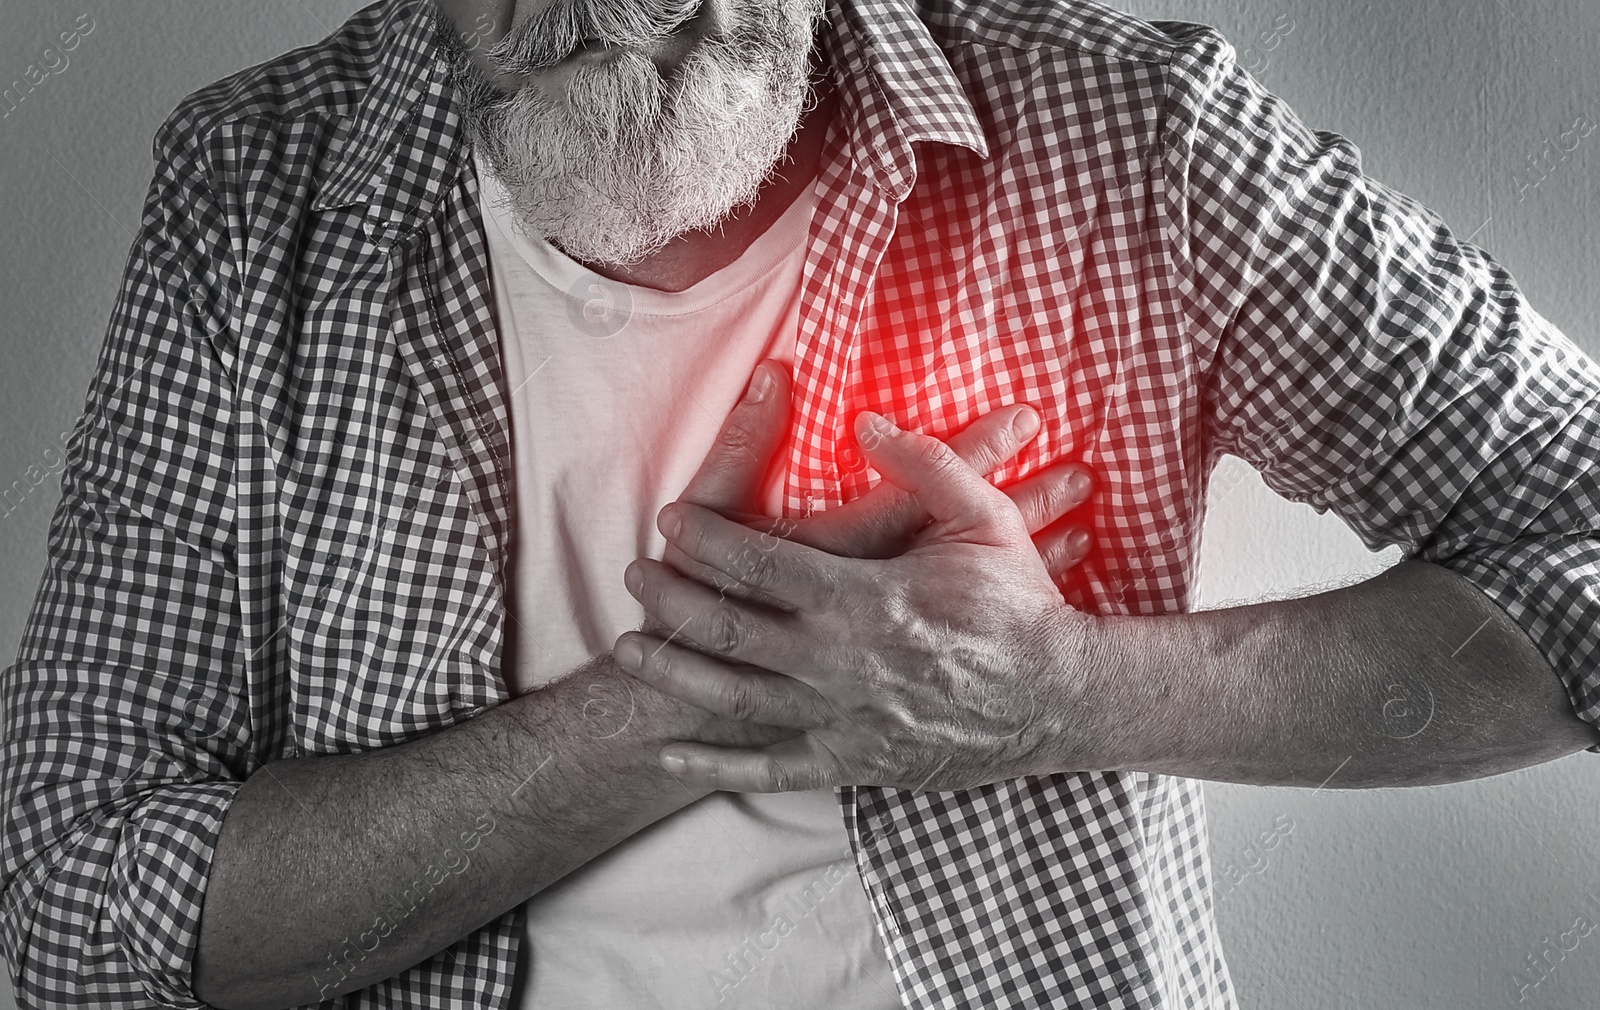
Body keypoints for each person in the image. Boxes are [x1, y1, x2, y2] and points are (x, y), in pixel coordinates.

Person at [2, 1, 1597, 1009]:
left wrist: (1052, 695)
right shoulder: (249, 195)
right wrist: (655, 714)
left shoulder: (1135, 133)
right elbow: (67, 906)